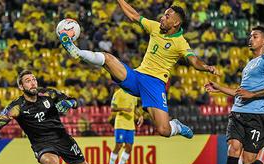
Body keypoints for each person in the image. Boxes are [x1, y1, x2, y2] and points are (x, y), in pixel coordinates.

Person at [59, 0, 218, 139]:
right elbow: (134, 16)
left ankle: (177, 126)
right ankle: (77, 52)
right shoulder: (155, 27)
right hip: (137, 76)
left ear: (176, 23)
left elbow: (194, 61)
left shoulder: (181, 43)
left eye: (167, 16)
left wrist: (206, 67)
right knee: (108, 59)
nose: (162, 17)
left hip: (154, 84)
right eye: (163, 14)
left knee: (163, 130)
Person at [0, 70, 101, 164]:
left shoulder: (48, 94)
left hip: (62, 138)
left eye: (34, 79)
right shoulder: (17, 106)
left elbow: (75, 101)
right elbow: (0, 120)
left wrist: (69, 103)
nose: (33, 83)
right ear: (21, 86)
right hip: (41, 144)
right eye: (28, 81)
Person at [205, 26, 264, 164]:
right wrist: (219, 88)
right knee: (233, 149)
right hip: (237, 113)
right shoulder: (249, 64)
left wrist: (253, 94)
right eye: (250, 36)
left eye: (255, 36)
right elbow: (240, 92)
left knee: (248, 161)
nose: (251, 39)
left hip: (256, 117)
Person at [107, 87, 143, 164]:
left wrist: (140, 115)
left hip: (130, 125)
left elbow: (134, 108)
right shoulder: (118, 93)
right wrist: (123, 109)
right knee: (118, 145)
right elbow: (112, 108)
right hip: (120, 124)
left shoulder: (133, 94)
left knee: (129, 147)